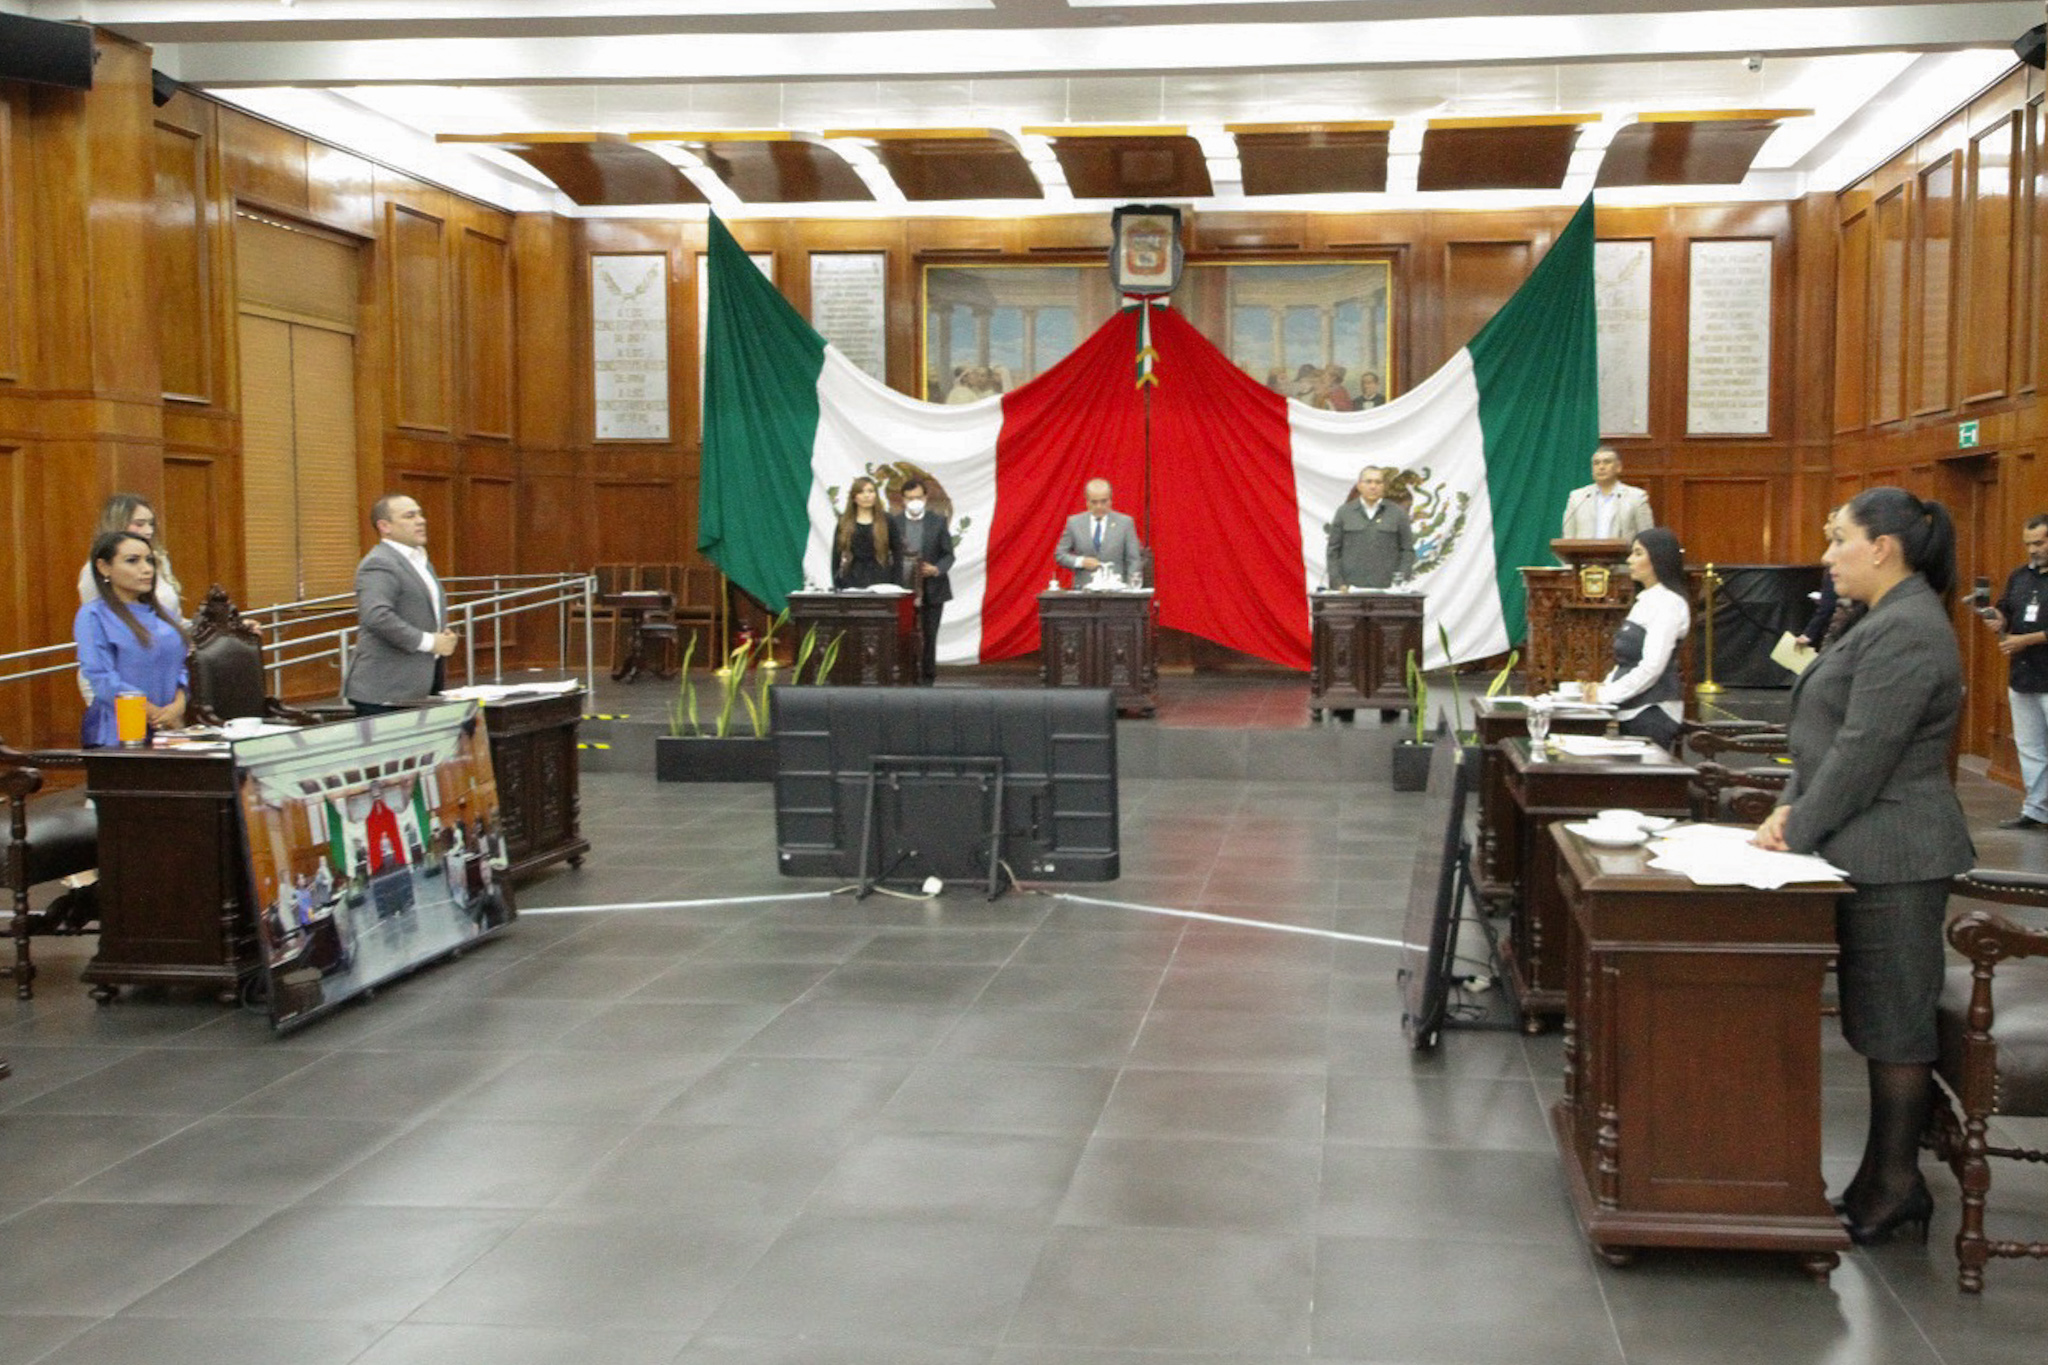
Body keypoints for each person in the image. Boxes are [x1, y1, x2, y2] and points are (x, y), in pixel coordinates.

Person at [1753, 486, 1975, 1247]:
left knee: (1895, 1029)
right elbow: (1824, 735)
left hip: (1897, 851)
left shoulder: (1909, 626)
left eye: (1838, 539)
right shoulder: (1882, 618)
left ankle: (1896, 1186)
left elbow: (1865, 751)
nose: (1827, 556)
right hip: (1862, 841)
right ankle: (1878, 1177)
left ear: (1881, 547)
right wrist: (1789, 808)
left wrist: (1798, 829)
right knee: (1877, 1021)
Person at [343, 494, 458, 716]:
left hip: (420, 684)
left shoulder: (420, 561)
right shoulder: (379, 562)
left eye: (420, 514)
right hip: (385, 691)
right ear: (385, 526)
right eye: (409, 516)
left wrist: (442, 637)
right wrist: (429, 642)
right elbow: (376, 616)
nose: (421, 521)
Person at [75, 530, 189, 747]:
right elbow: (100, 676)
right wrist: (152, 712)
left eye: (149, 560)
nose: (147, 569)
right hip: (119, 731)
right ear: (104, 567)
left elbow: (180, 667)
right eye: (132, 561)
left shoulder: (163, 615)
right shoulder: (93, 615)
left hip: (169, 727)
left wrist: (179, 704)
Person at [1582, 528, 1690, 748]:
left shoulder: (1668, 603)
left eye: (1638, 553)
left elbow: (1652, 667)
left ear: (1659, 558)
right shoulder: (1645, 600)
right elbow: (1627, 662)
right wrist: (1602, 688)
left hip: (1651, 713)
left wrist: (1606, 694)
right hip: (1631, 711)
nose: (1630, 560)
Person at [1981, 512, 2048, 829]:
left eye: (2040, 543)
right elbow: (2005, 608)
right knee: (2030, 747)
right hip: (2022, 675)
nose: (2033, 550)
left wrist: (2026, 640)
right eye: (2028, 544)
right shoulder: (2019, 576)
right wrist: (1997, 618)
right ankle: (2036, 809)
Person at [76, 493, 181, 620]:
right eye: (139, 524)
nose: (149, 531)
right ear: (118, 524)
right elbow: (95, 618)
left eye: (151, 524)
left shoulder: (159, 558)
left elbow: (174, 615)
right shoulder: (92, 570)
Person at [889, 476, 954, 684]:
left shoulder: (938, 521)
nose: (914, 501)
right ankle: (905, 675)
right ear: (903, 500)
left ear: (925, 498)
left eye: (918, 497)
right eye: (910, 498)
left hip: (933, 588)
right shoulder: (894, 523)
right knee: (903, 635)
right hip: (904, 590)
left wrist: (936, 569)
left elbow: (949, 555)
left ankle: (928, 677)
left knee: (929, 635)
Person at [1325, 467, 1414, 590]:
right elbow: (1333, 551)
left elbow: (1407, 550)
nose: (1373, 486)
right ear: (1359, 485)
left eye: (1378, 482)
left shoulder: (1398, 513)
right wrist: (1338, 583)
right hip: (1350, 590)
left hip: (1387, 590)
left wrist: (1400, 581)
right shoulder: (1344, 512)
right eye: (1368, 481)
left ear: (1384, 486)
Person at [1055, 479, 1145, 588]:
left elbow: (1134, 560)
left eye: (1104, 501)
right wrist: (1081, 562)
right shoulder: (1074, 523)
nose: (1099, 506)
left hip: (1117, 590)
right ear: (1087, 501)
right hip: (1084, 591)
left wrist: (1131, 588)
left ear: (1111, 500)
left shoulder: (1125, 523)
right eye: (1094, 502)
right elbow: (1060, 555)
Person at [1560, 446, 1654, 541]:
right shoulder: (1577, 498)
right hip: (1585, 551)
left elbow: (1647, 539)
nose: (1601, 467)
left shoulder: (1636, 497)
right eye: (1596, 463)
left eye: (1607, 462)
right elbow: (1568, 538)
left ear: (1618, 467)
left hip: (1623, 551)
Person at [832, 475, 900, 589]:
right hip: (851, 580)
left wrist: (897, 584)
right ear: (854, 497)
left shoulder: (888, 520)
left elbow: (898, 553)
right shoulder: (844, 522)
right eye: (861, 492)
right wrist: (836, 584)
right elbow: (836, 556)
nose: (866, 495)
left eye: (870, 491)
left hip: (882, 580)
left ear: (876, 495)